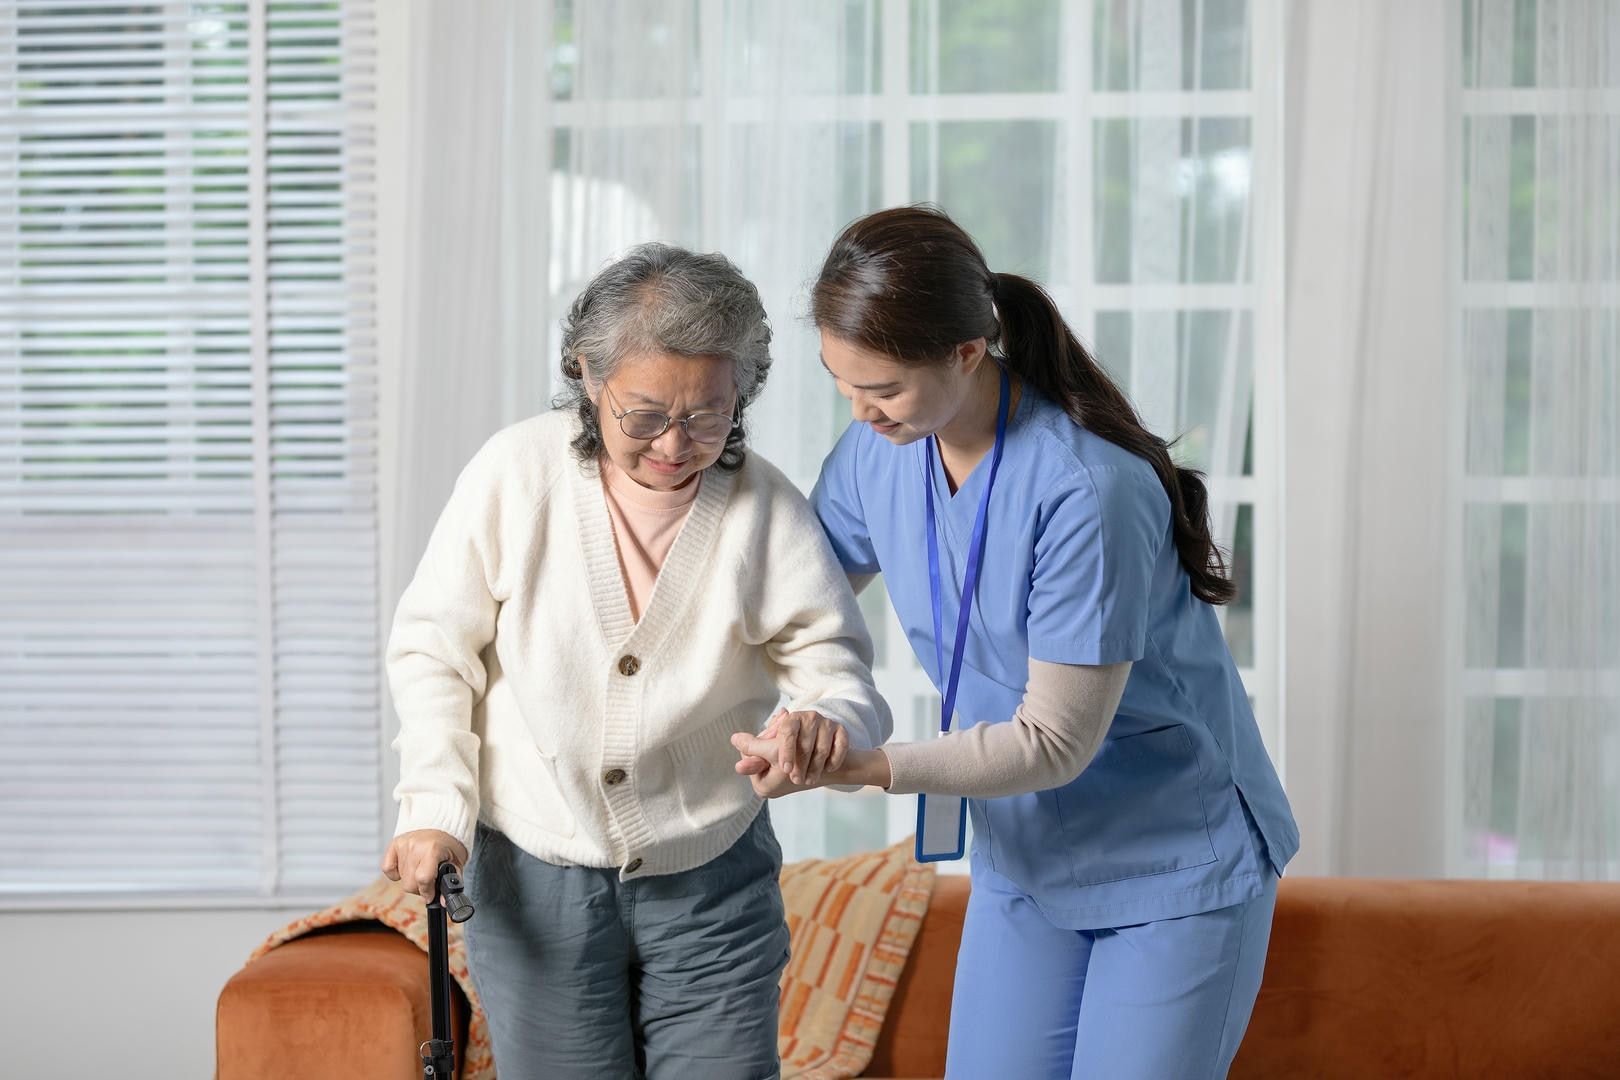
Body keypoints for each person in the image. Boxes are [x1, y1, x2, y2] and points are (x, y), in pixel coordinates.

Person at [732, 206, 1299, 1080]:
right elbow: (799, 611)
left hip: (1171, 866)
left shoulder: (1086, 488)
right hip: (1024, 856)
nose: (861, 410)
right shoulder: (878, 451)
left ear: (966, 350)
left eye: (882, 387)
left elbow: (1054, 740)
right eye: (842, 383)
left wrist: (864, 765)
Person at [382, 242, 891, 1079]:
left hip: (714, 876)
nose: (674, 444)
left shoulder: (766, 509)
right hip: (535, 873)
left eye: (708, 414)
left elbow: (837, 668)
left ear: (744, 389)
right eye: (646, 415)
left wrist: (821, 726)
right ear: (587, 375)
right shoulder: (518, 473)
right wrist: (433, 803)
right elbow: (434, 648)